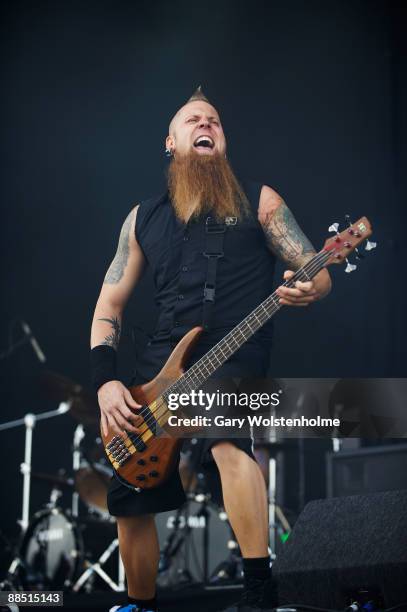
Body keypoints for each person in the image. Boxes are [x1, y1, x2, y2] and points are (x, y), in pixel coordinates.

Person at [90, 87, 331, 612]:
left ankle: (257, 592)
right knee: (131, 491)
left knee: (227, 444)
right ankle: (140, 604)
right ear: (171, 142)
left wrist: (313, 284)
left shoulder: (260, 199)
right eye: (194, 119)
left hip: (234, 355)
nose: (207, 124)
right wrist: (108, 379)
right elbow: (110, 300)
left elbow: (316, 267)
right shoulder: (142, 219)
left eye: (215, 120)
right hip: (159, 367)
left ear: (220, 140)